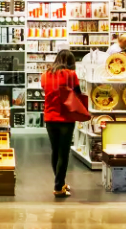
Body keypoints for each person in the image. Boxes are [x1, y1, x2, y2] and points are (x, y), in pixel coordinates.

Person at [41, 50, 81, 198]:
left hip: (50, 117)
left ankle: (60, 182)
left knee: (55, 151)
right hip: (66, 118)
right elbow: (78, 94)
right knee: (64, 153)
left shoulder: (45, 75)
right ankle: (58, 187)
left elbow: (46, 91)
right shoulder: (71, 75)